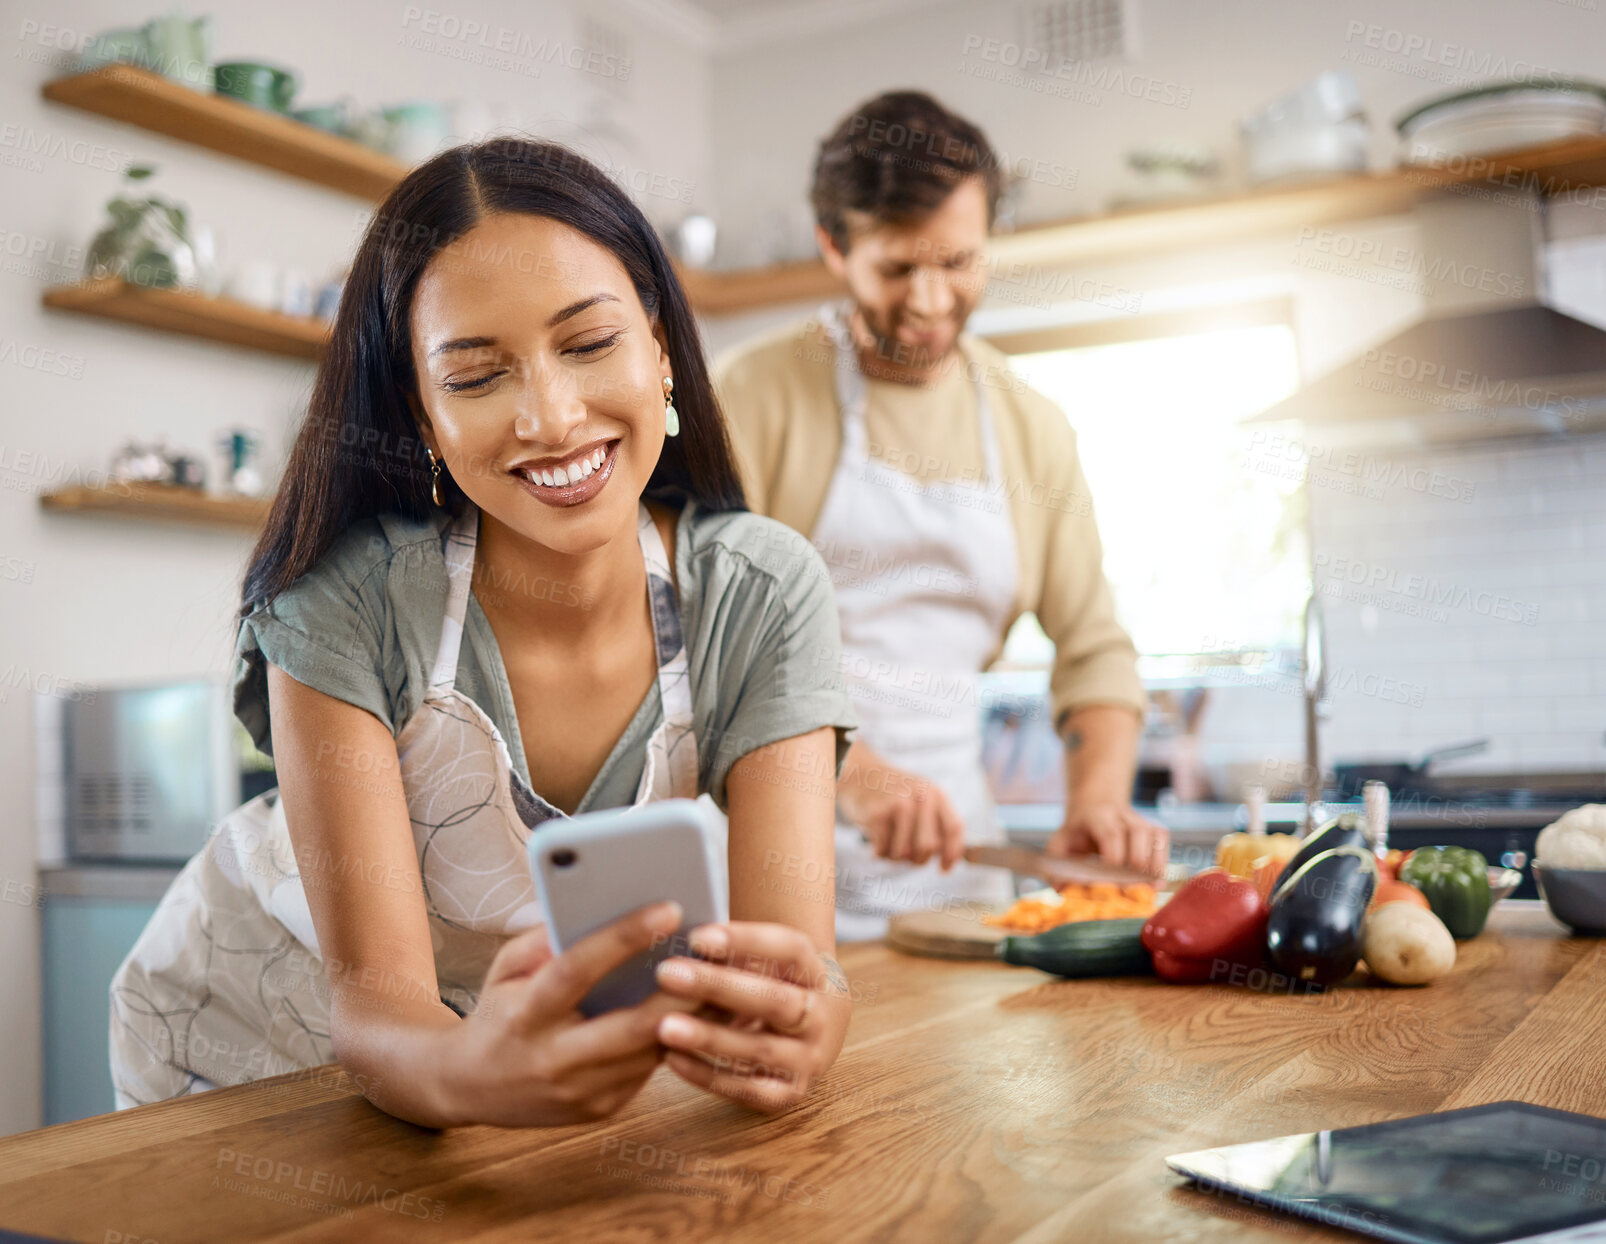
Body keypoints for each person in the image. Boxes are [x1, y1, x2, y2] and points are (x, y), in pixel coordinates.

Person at [109, 137, 859, 1125]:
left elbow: (799, 958)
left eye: (589, 345)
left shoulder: (757, 592)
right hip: (252, 1051)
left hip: (509, 1087)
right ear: (419, 413)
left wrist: (806, 1018)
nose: (550, 417)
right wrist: (470, 1072)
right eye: (474, 376)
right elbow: (374, 1000)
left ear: (662, 346)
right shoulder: (349, 599)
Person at [714, 91, 1165, 941]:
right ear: (833, 248)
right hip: (767, 870)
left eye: (958, 263)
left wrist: (1097, 805)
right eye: (896, 269)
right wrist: (849, 773)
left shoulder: (1032, 426)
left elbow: (1094, 646)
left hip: (965, 875)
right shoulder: (751, 395)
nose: (929, 300)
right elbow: (702, 640)